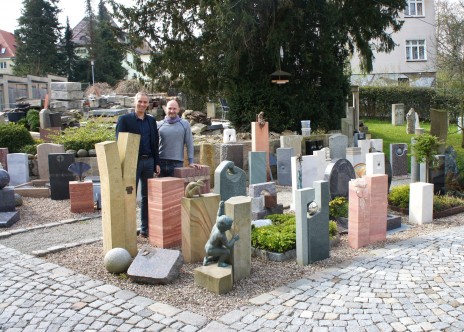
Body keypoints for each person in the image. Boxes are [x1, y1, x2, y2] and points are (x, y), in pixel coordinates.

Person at [115, 92, 160, 238]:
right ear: (134, 102)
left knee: (147, 196)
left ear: (148, 104)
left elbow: (155, 143)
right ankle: (127, 229)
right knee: (129, 195)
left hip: (149, 162)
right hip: (131, 163)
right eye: (140, 101)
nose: (142, 104)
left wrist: (156, 162)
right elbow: (119, 143)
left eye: (145, 102)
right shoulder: (125, 120)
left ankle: (145, 228)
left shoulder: (151, 121)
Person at [157, 99, 200, 176]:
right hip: (160, 162)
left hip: (176, 163)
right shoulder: (158, 124)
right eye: (170, 108)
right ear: (165, 109)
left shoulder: (185, 124)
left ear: (178, 110)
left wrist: (191, 161)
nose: (172, 111)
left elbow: (189, 143)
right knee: (160, 187)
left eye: (174, 108)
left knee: (176, 187)